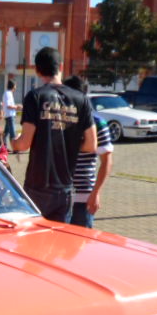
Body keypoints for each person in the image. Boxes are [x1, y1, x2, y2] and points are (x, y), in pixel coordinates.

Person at [10, 47, 96, 222]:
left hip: (38, 185)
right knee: (58, 242)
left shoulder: (35, 96)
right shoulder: (82, 100)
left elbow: (25, 143)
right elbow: (91, 145)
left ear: (37, 70)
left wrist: (14, 143)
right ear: (61, 67)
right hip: (64, 186)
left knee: (32, 240)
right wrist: (66, 143)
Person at [62, 76, 113, 228]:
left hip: (84, 198)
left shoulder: (97, 122)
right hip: (60, 196)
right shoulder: (60, 119)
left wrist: (96, 192)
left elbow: (107, 160)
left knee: (81, 245)